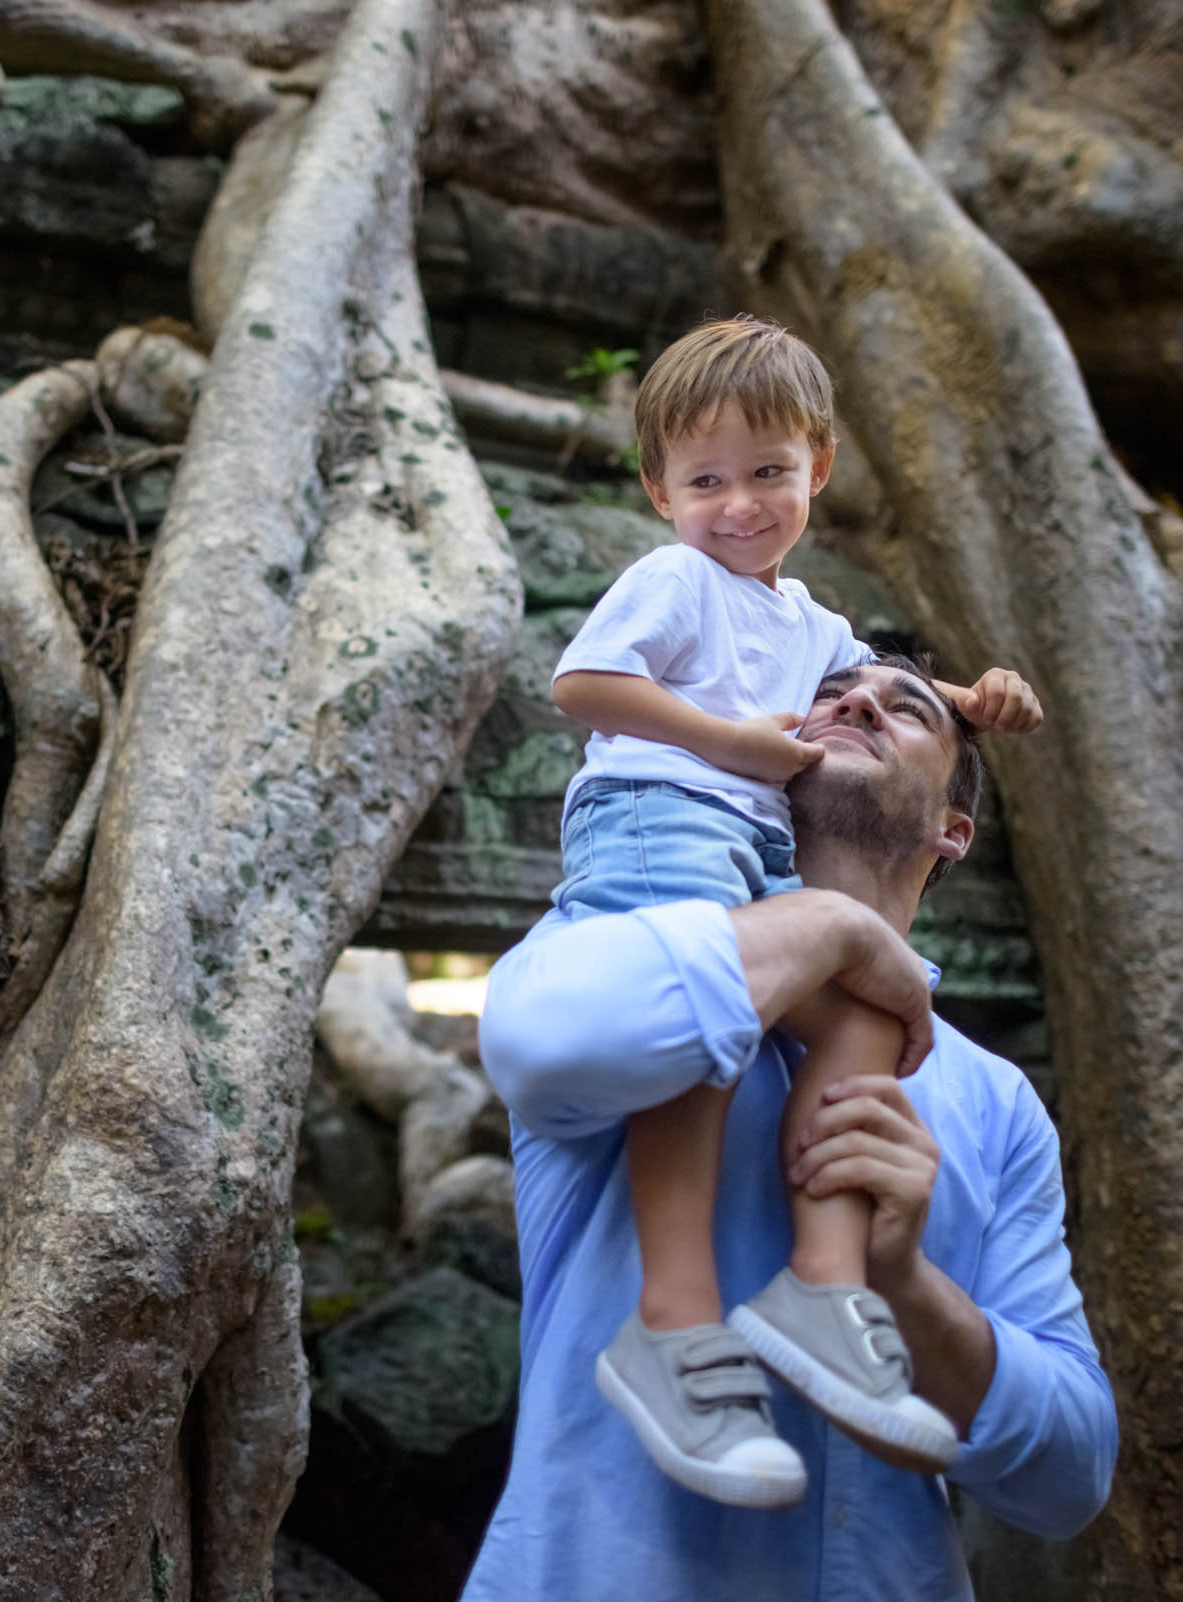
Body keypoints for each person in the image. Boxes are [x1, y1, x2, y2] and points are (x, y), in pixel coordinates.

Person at [464, 657, 1116, 1600]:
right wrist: (829, 929)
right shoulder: (604, 942)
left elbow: (1071, 1478)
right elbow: (542, 1046)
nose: (857, 702)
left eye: (909, 708)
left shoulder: (995, 1102)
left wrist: (904, 1285)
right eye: (828, 692)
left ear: (953, 830)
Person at [548, 316, 1040, 1500]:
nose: (739, 506)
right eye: (705, 481)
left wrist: (972, 697)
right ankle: (671, 1320)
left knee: (872, 1000)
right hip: (656, 818)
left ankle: (823, 1283)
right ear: (661, 492)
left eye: (767, 472)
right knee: (705, 1025)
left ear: (818, 467)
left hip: (740, 843)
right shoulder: (675, 579)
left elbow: (882, 675)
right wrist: (729, 742)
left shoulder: (805, 620)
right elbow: (583, 684)